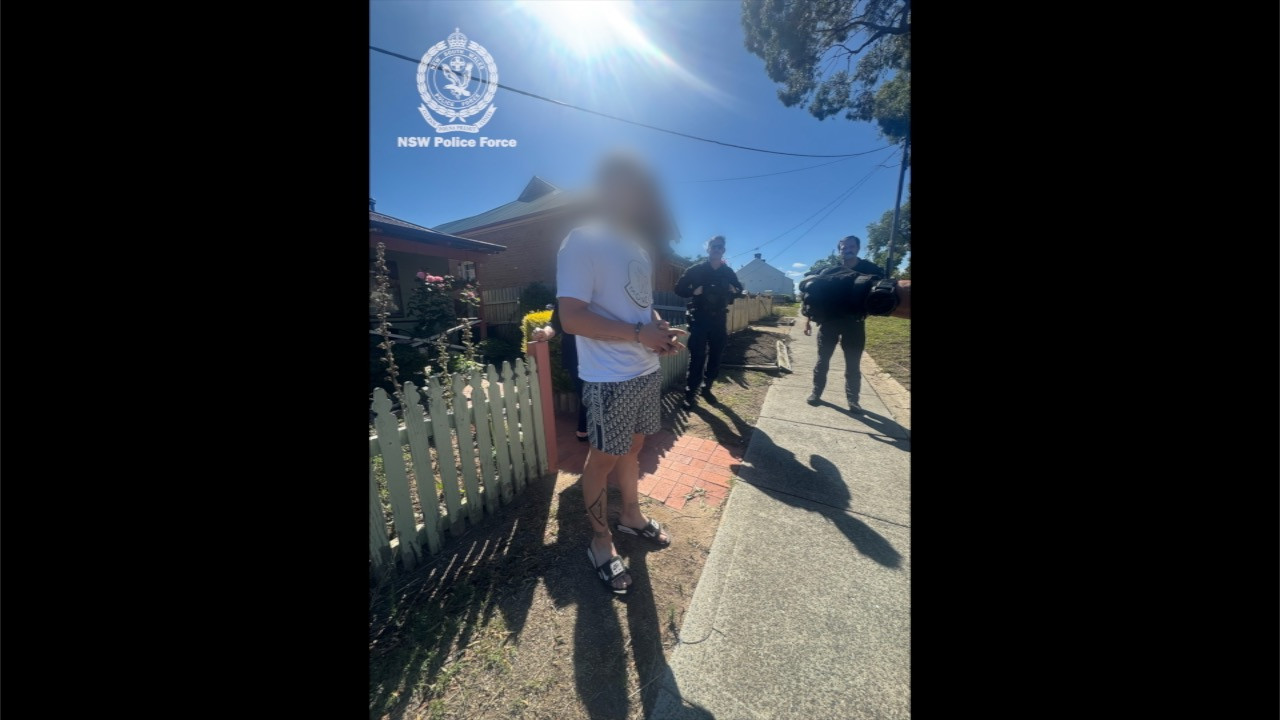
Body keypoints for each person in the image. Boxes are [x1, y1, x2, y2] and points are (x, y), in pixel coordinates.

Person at [556, 153, 687, 596]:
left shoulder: (639, 250)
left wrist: (659, 333)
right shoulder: (581, 240)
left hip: (645, 370)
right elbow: (571, 318)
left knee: (632, 451)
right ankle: (600, 542)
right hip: (608, 378)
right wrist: (638, 332)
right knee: (602, 459)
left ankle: (630, 517)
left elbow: (640, 307)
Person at [802, 235, 884, 413]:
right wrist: (808, 321)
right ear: (839, 250)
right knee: (822, 361)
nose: (847, 249)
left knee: (853, 365)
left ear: (858, 248)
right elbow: (812, 297)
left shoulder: (870, 269)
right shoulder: (830, 271)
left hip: (854, 323)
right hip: (829, 322)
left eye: (851, 246)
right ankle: (816, 393)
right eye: (843, 247)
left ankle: (853, 401)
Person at [674, 235, 743, 408]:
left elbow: (740, 290)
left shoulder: (727, 271)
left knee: (716, 354)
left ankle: (707, 388)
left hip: (719, 318)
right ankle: (690, 393)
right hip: (700, 317)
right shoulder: (696, 270)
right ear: (708, 249)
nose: (717, 249)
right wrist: (693, 292)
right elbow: (679, 289)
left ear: (723, 250)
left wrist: (734, 290)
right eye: (714, 246)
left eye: (720, 247)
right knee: (697, 355)